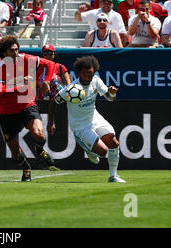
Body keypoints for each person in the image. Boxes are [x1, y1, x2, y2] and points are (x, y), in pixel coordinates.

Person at [0, 35, 57, 182]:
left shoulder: (26, 58)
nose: (16, 53)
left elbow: (50, 65)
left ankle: (39, 149)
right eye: (11, 51)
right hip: (8, 112)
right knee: (15, 153)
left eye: (17, 49)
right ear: (4, 52)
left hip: (27, 105)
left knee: (39, 135)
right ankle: (26, 168)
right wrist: (18, 86)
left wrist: (46, 81)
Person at [53, 55, 125, 183]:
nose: (88, 76)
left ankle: (113, 176)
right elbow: (54, 102)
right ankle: (87, 148)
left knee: (113, 143)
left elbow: (110, 98)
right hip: (80, 125)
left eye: (90, 74)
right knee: (102, 152)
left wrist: (112, 93)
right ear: (79, 73)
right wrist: (50, 121)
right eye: (85, 73)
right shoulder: (70, 89)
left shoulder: (96, 81)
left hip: (95, 118)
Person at [38, 44, 71, 135]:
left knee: (59, 133)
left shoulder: (60, 67)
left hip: (59, 104)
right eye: (45, 53)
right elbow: (35, 87)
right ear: (42, 55)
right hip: (43, 104)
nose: (48, 55)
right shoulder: (38, 68)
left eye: (50, 52)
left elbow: (69, 86)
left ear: (54, 54)